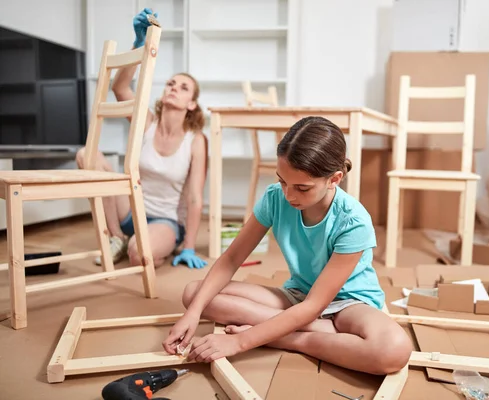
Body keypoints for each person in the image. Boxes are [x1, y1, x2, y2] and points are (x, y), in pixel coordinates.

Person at [162, 116, 412, 375]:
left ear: (334, 179)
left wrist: (240, 341)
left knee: (393, 351)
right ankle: (316, 331)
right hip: (298, 295)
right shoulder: (275, 198)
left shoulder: (353, 221)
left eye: (302, 188)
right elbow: (231, 259)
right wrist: (192, 314)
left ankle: (290, 338)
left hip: (349, 304)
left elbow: (315, 306)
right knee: (195, 294)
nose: (289, 195)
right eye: (283, 181)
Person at [76, 8, 208, 269]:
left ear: (191, 104)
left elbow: (194, 197)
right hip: (129, 210)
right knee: (85, 154)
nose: (174, 88)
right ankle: (116, 237)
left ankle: (142, 245)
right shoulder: (146, 123)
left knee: (139, 255)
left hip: (165, 220)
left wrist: (189, 245)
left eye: (183, 88)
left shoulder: (195, 140)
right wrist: (139, 45)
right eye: (171, 83)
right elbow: (120, 88)